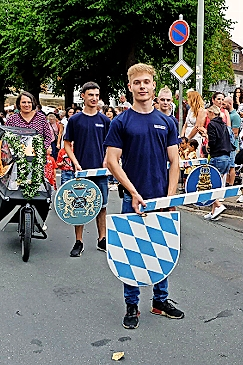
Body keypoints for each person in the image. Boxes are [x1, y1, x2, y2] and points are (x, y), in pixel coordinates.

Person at [104, 63, 183, 330]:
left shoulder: (167, 121)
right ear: (130, 87)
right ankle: (132, 305)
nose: (142, 86)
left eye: (146, 82)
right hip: (132, 200)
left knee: (161, 249)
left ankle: (160, 301)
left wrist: (170, 198)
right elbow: (111, 161)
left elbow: (175, 161)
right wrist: (134, 192)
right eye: (137, 83)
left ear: (153, 85)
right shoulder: (121, 121)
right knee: (132, 254)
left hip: (161, 198)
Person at [64, 82, 111, 257]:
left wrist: (107, 160)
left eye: (97, 95)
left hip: (100, 172)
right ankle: (79, 241)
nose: (94, 98)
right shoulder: (75, 120)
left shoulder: (105, 121)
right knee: (79, 206)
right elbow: (67, 144)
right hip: (82, 171)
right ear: (82, 96)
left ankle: (102, 239)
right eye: (90, 95)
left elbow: (111, 145)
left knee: (102, 206)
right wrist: (75, 162)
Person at [200, 105, 232, 220]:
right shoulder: (223, 125)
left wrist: (206, 140)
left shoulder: (212, 124)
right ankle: (214, 212)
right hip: (226, 157)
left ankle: (218, 205)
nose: (207, 116)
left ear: (211, 113)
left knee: (211, 183)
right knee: (217, 184)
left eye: (208, 114)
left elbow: (213, 142)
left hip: (217, 156)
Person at [181, 90, 206, 157]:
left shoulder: (201, 110)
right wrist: (182, 137)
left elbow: (197, 127)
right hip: (187, 134)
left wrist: (188, 138)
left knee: (193, 155)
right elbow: (185, 124)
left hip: (194, 136)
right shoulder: (190, 110)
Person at [224, 96, 241, 186]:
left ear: (229, 104)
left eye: (224, 103)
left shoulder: (235, 116)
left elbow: (235, 133)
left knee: (231, 165)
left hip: (232, 145)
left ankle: (231, 183)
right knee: (227, 165)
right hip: (227, 145)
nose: (223, 105)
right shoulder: (228, 114)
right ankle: (227, 182)